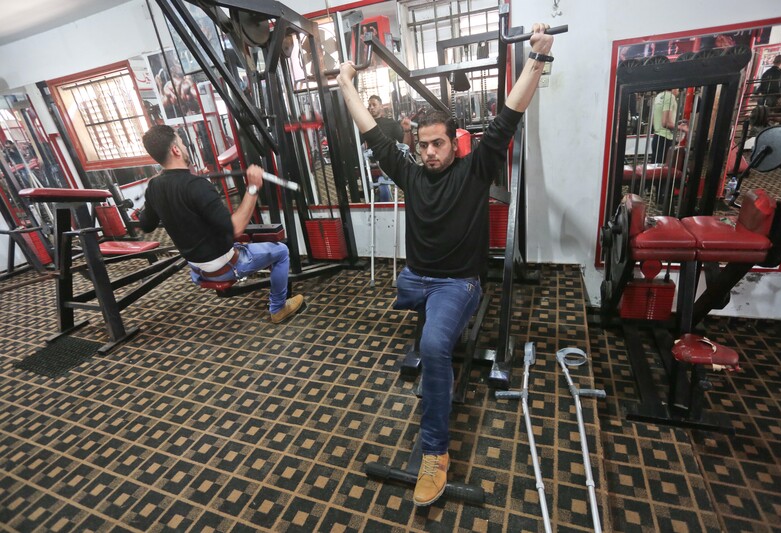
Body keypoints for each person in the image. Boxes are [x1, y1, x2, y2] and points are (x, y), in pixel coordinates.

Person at [337, 22, 555, 507]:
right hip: (417, 277)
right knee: (406, 294)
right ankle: (424, 313)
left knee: (435, 346)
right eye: (423, 144)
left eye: (438, 143)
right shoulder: (410, 173)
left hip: (460, 283)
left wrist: (538, 59)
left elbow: (511, 114)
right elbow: (368, 130)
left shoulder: (476, 169)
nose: (430, 152)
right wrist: (345, 83)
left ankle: (436, 452)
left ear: (454, 142)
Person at [138, 125, 303, 324]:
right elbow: (236, 228)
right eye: (182, 143)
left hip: (196, 269)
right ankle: (278, 308)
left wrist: (149, 202)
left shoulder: (154, 186)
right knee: (281, 251)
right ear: (175, 150)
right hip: (223, 267)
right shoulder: (197, 186)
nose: (185, 147)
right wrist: (252, 187)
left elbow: (146, 225)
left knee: (249, 242)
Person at [366, 95, 413, 202]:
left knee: (383, 190)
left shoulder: (391, 123)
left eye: (374, 105)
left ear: (381, 106)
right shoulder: (366, 125)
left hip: (387, 164)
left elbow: (405, 145)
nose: (371, 107)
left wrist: (407, 131)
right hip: (370, 164)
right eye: (369, 105)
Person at [650, 88, 688, 164]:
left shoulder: (659, 96)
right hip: (666, 140)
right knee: (664, 171)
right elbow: (665, 123)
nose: (679, 90)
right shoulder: (670, 97)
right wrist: (682, 127)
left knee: (655, 170)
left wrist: (676, 124)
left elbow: (657, 121)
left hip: (657, 138)